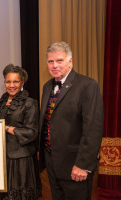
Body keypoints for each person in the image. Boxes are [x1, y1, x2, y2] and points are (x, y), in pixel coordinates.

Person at [39, 41, 103, 200]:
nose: (54, 65)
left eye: (59, 60)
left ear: (70, 61)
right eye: (50, 61)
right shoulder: (47, 87)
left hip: (76, 166)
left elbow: (93, 130)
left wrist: (83, 165)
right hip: (52, 164)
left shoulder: (87, 85)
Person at [0, 64, 41, 200]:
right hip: (2, 158)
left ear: (22, 83)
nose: (11, 85)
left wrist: (5, 127)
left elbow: (31, 132)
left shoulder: (30, 103)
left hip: (22, 160)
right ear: (4, 83)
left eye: (15, 81)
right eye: (8, 81)